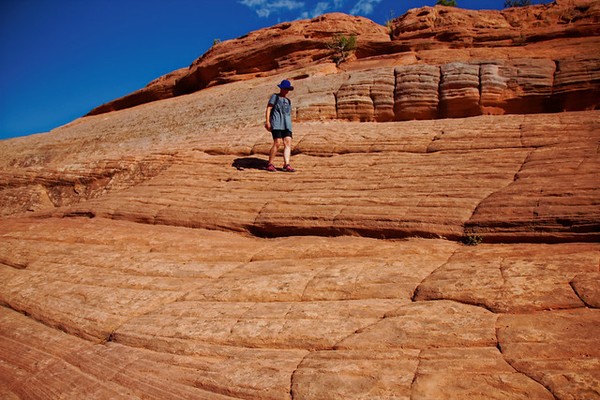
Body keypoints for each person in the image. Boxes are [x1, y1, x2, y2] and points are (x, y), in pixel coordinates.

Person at [265, 79, 295, 172]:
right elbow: (269, 108)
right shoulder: (275, 97)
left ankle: (287, 164)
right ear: (281, 88)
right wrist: (267, 121)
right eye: (285, 89)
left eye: (287, 89)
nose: (286, 91)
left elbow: (288, 113)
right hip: (277, 123)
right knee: (277, 143)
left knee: (288, 143)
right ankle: (270, 163)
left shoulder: (288, 100)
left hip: (287, 124)